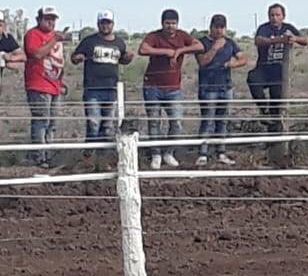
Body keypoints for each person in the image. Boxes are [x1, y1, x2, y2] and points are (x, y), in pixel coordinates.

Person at [138, 9, 203, 170]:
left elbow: (199, 46)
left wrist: (180, 51)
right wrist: (165, 52)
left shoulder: (182, 36)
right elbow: (143, 49)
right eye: (167, 23)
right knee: (154, 122)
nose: (170, 26)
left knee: (176, 122)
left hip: (173, 88)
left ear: (177, 23)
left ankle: (169, 152)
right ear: (162, 23)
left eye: (173, 23)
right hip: (152, 86)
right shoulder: (154, 36)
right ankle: (156, 155)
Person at [71, 10, 133, 148]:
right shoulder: (89, 41)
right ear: (98, 24)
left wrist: (128, 58)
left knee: (108, 125)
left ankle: (104, 155)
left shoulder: (119, 42)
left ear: (113, 24)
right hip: (93, 89)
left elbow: (122, 59)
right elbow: (74, 57)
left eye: (108, 23)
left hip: (111, 89)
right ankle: (90, 154)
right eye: (103, 23)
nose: (105, 26)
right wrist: (78, 57)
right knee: (94, 123)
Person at [195, 14, 247, 166]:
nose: (219, 30)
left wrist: (233, 64)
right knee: (208, 120)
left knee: (222, 121)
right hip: (208, 87)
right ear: (210, 27)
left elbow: (243, 58)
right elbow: (202, 61)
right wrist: (215, 48)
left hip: (226, 86)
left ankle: (221, 152)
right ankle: (203, 153)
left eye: (221, 27)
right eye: (216, 27)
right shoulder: (202, 42)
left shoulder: (230, 42)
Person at [248, 3, 308, 134]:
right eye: (272, 15)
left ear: (283, 16)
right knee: (253, 79)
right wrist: (278, 40)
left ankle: (275, 138)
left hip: (280, 71)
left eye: (277, 15)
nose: (274, 18)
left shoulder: (288, 27)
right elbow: (258, 40)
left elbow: (305, 40)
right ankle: (264, 111)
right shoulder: (264, 28)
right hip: (264, 68)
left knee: (277, 104)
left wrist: (294, 38)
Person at [22, 6, 66, 169]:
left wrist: (61, 80)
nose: (51, 22)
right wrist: (54, 40)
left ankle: (49, 153)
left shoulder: (56, 37)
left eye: (53, 19)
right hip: (38, 84)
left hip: (54, 84)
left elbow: (59, 61)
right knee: (41, 120)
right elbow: (37, 54)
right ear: (39, 19)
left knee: (52, 123)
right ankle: (39, 156)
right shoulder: (33, 35)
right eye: (47, 18)